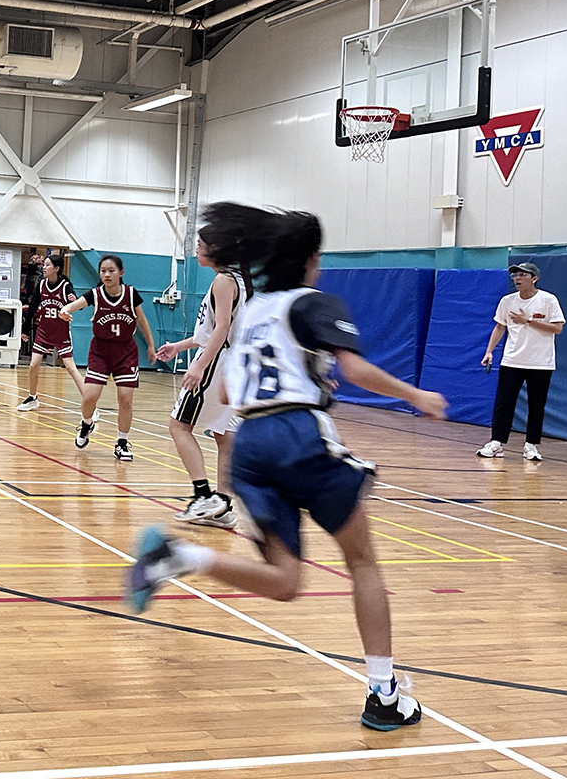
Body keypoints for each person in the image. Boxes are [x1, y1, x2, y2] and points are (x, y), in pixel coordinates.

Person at [126, 203, 449, 732]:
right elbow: (354, 368)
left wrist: (297, 375)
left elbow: (229, 393)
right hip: (297, 436)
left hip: (250, 446)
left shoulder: (254, 312)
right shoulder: (312, 302)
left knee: (285, 581)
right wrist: (416, 395)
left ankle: (179, 555)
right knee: (362, 562)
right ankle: (383, 694)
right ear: (309, 259)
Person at [153, 232, 247, 528]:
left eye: (200, 245)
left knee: (179, 426)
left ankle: (203, 496)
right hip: (231, 364)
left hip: (216, 363)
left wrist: (199, 366)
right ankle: (223, 506)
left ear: (216, 248)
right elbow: (211, 331)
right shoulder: (237, 278)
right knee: (225, 435)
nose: (196, 249)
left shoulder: (224, 280)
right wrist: (179, 347)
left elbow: (221, 330)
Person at [58, 254, 154, 460]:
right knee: (89, 397)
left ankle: (121, 443)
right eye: (103, 271)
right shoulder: (95, 294)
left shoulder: (130, 294)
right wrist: (64, 310)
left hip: (125, 352)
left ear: (121, 273)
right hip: (100, 351)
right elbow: (74, 305)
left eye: (111, 271)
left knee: (125, 399)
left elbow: (142, 321)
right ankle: (86, 424)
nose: (107, 275)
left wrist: (151, 346)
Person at [477, 262, 564, 462]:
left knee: (536, 405)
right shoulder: (507, 301)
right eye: (515, 275)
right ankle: (496, 443)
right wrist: (489, 351)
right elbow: (500, 327)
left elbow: (557, 328)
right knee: (503, 404)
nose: (517, 278)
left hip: (540, 363)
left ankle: (531, 445)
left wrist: (529, 321)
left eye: (523, 275)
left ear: (534, 279)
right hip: (512, 361)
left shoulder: (548, 300)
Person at [18, 252, 86, 410]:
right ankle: (32, 398)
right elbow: (33, 306)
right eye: (44, 265)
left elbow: (78, 304)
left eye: (47, 265)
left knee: (70, 367)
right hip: (44, 331)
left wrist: (73, 304)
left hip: (61, 333)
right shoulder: (42, 284)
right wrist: (25, 329)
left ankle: (90, 402)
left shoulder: (65, 286)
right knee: (33, 365)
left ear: (56, 268)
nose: (44, 267)